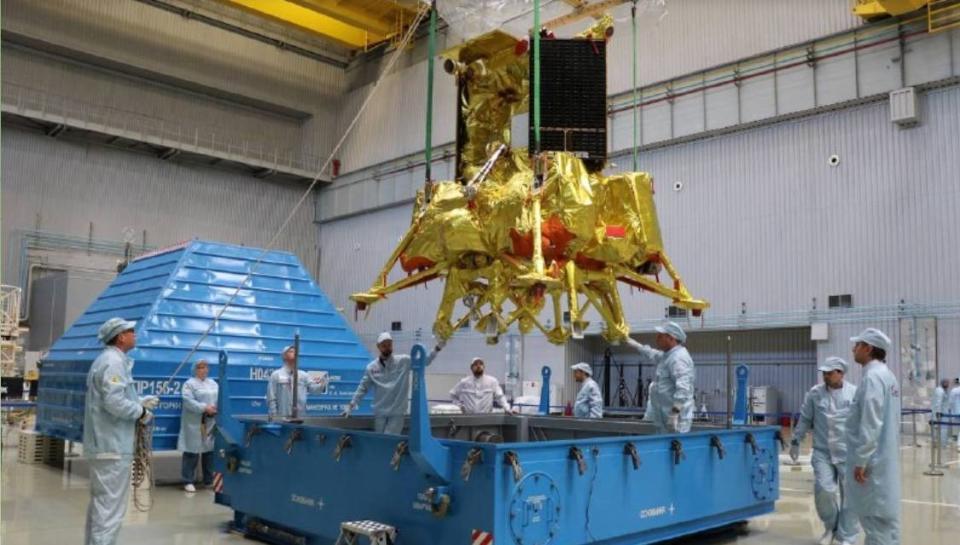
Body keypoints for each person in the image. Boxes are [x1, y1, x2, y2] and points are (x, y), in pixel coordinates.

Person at [83, 317, 159, 545]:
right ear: (120, 337)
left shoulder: (111, 361)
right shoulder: (113, 362)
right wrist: (141, 413)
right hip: (112, 447)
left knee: (101, 507)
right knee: (110, 511)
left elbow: (115, 397)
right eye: (131, 331)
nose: (134, 334)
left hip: (107, 445)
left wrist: (140, 402)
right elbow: (114, 403)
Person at [790, 357, 859, 545]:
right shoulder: (814, 394)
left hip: (848, 452)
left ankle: (848, 537)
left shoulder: (854, 393)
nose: (826, 376)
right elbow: (805, 418)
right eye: (824, 373)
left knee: (850, 498)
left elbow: (863, 422)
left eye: (830, 373)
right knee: (824, 490)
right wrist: (796, 440)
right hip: (822, 452)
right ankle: (831, 527)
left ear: (841, 373)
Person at [845, 328, 900, 545]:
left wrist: (861, 460)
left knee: (875, 525)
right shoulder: (888, 376)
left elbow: (871, 421)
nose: (853, 349)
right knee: (888, 528)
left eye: (857, 345)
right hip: (885, 460)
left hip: (872, 465)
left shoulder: (873, 377)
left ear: (868, 348)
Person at [343, 332, 445, 434]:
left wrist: (437, 348)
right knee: (380, 441)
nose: (387, 348)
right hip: (380, 413)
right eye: (384, 345)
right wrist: (351, 405)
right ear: (378, 347)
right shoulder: (372, 368)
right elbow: (363, 388)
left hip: (397, 412)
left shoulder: (404, 361)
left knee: (389, 442)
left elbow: (424, 361)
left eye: (389, 345)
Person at [625, 321, 695, 433]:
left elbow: (683, 388)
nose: (656, 338)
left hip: (676, 420)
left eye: (660, 336)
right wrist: (635, 344)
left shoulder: (678, 358)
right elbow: (652, 353)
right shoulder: (667, 356)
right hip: (665, 417)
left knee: (675, 447)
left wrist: (675, 413)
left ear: (671, 338)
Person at [178, 359, 218, 493]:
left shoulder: (213, 383)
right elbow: (188, 401)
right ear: (194, 369)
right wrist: (204, 408)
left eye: (206, 367)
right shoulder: (189, 384)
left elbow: (219, 398)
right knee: (191, 451)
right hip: (194, 422)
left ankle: (209, 480)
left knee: (209, 451)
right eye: (200, 367)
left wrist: (215, 409)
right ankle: (188, 480)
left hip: (210, 421)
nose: (204, 370)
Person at [267, 345, 328, 419]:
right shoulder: (276, 375)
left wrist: (323, 383)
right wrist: (275, 415)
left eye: (296, 352)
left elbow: (315, 390)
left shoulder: (303, 375)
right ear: (284, 356)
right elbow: (271, 397)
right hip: (282, 417)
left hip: (300, 417)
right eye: (291, 351)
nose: (295, 353)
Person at [449, 357, 515, 414]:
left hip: (486, 418)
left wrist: (507, 409)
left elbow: (500, 397)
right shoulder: (464, 382)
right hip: (468, 418)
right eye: (475, 364)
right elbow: (452, 394)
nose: (478, 366)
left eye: (481, 364)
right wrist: (460, 406)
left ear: (484, 367)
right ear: (471, 368)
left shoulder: (492, 381)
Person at [932, 378, 951, 446]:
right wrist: (938, 412)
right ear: (943, 383)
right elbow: (938, 402)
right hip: (940, 413)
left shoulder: (942, 390)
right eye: (947, 383)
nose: (948, 385)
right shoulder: (940, 391)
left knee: (939, 429)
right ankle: (942, 444)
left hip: (942, 412)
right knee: (942, 429)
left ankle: (940, 443)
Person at [949, 378, 960, 448]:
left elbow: (951, 402)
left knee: (957, 429)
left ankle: (958, 443)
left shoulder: (954, 391)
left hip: (956, 412)